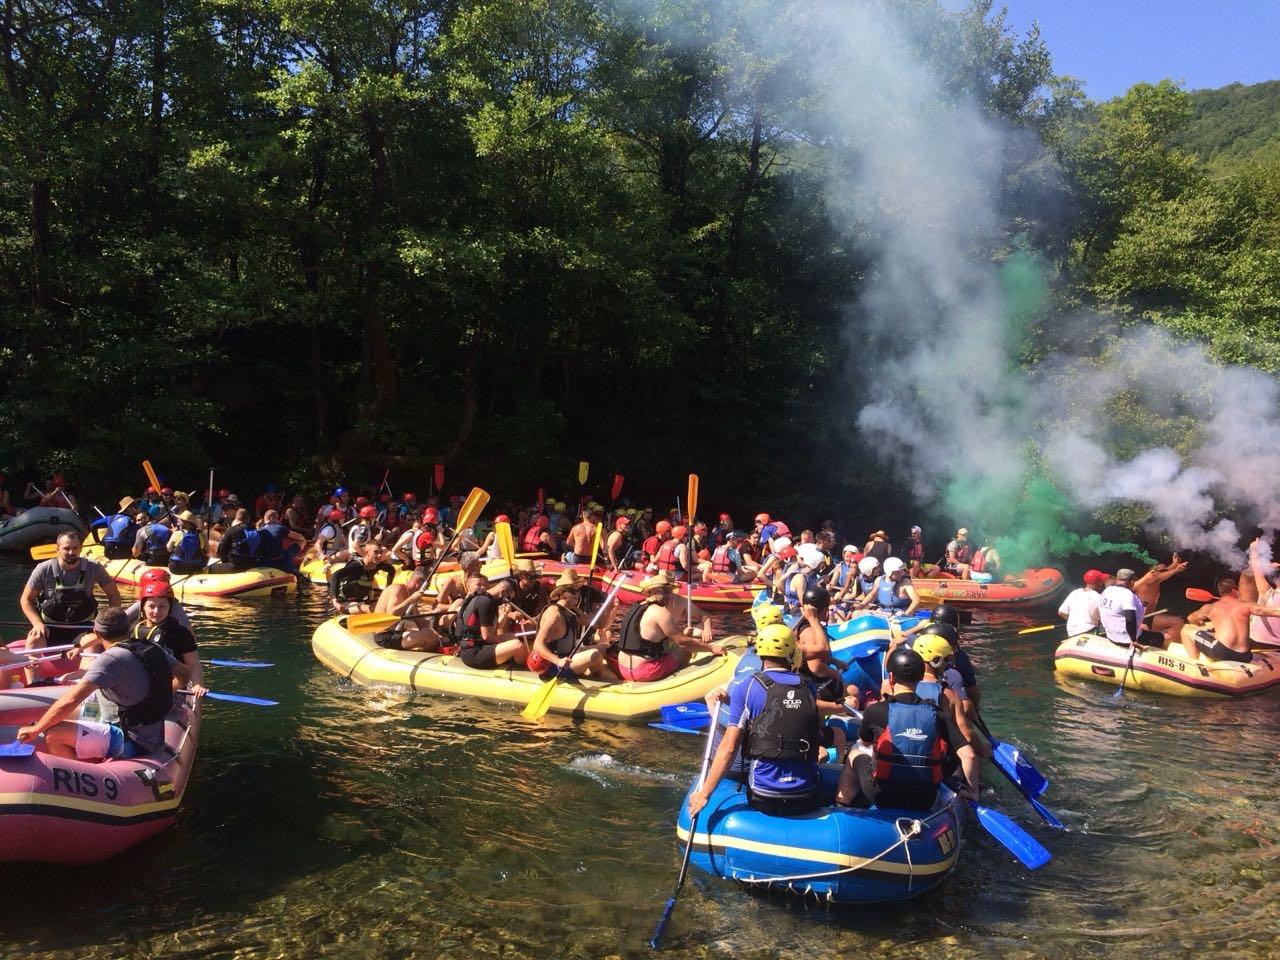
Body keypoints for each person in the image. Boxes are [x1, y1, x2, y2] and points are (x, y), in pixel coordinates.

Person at [16, 607, 189, 760]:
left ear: (97, 634)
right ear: (128, 629)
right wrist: (162, 694)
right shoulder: (148, 648)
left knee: (53, 733)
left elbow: (70, 700)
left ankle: (75, 778)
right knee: (58, 717)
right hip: (148, 731)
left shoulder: (110, 659)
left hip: (131, 740)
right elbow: (184, 673)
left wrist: (37, 729)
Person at [689, 623, 823, 818]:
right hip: (806, 796)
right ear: (793, 654)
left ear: (760, 653)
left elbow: (729, 747)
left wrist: (704, 794)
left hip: (763, 797)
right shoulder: (808, 687)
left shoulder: (747, 686)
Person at [836, 647, 979, 809]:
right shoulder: (938, 714)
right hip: (926, 798)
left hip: (883, 795)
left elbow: (865, 743)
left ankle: (843, 806)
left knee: (855, 752)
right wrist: (973, 791)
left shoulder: (875, 711)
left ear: (891, 678)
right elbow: (969, 756)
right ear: (920, 678)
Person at [20, 532, 121, 665]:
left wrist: (104, 623)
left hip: (82, 627)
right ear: (57, 549)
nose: (71, 552)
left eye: (75, 548)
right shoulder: (44, 569)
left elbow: (114, 596)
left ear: (80, 548)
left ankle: (84, 679)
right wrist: (37, 623)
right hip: (50, 626)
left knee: (91, 641)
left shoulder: (94, 567)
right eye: (66, 548)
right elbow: (26, 600)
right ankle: (34, 682)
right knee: (33, 640)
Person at [612, 573, 723, 682]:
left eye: (669, 591)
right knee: (686, 649)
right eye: (663, 591)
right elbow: (683, 643)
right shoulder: (661, 612)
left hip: (622, 668)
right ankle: (683, 675)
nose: (668, 595)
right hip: (643, 672)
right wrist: (711, 648)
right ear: (652, 591)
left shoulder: (637, 606)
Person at [526, 571, 619, 682]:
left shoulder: (573, 611)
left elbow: (599, 624)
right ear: (562, 593)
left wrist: (608, 608)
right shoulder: (554, 613)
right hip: (554, 665)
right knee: (596, 655)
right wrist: (557, 661)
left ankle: (598, 671)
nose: (577, 594)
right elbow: (537, 645)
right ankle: (597, 679)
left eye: (578, 590)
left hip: (569, 654)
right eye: (573, 591)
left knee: (605, 648)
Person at [452, 564, 530, 670]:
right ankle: (529, 670)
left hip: (470, 648)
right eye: (478, 584)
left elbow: (492, 629)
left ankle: (511, 661)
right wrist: (502, 643)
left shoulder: (470, 601)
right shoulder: (484, 601)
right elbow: (487, 636)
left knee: (511, 637)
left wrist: (503, 615)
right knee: (517, 646)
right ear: (468, 586)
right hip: (474, 654)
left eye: (485, 584)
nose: (482, 587)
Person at [1185, 578, 1280, 663]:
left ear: (1221, 593)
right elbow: (1274, 611)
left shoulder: (1210, 608)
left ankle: (1195, 664)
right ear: (1234, 590)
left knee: (1186, 631)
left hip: (1223, 653)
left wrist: (1200, 623)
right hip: (1245, 656)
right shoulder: (1247, 605)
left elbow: (1190, 618)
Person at [371, 564, 443, 652]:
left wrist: (437, 629)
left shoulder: (410, 595)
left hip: (397, 633)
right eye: (427, 586)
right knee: (429, 635)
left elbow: (419, 621)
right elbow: (391, 614)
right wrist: (411, 600)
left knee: (431, 634)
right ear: (417, 582)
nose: (426, 590)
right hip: (384, 636)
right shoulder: (398, 589)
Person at [1098, 568, 1167, 650]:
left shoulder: (1107, 590)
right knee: (1167, 637)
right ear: (1132, 582)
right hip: (1126, 639)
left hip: (1111, 635)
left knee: (1144, 626)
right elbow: (1130, 620)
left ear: (1117, 579)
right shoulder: (1128, 595)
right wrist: (1133, 640)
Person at [1133, 554, 1189, 648]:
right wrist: (1176, 569)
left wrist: (1175, 563)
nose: (1164, 570)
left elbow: (1165, 571)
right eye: (1160, 569)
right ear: (1153, 571)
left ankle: (1166, 644)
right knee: (1177, 622)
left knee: (1178, 621)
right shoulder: (1149, 578)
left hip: (1148, 617)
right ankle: (1165, 647)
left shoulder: (1156, 579)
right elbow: (1162, 574)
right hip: (1141, 618)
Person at [328, 544, 397, 614]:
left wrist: (386, 591)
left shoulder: (378, 565)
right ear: (366, 553)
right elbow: (335, 576)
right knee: (369, 608)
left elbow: (392, 570)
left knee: (388, 605)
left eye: (380, 552)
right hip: (345, 603)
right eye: (376, 552)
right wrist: (335, 601)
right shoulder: (356, 566)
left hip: (361, 601)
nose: (379, 555)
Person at [124, 568, 192, 629]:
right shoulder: (141, 603)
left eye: (162, 606)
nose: (156, 611)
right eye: (151, 606)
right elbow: (121, 620)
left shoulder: (175, 606)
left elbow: (189, 631)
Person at [1058, 569, 1107, 636]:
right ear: (1097, 583)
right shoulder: (1098, 597)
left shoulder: (1075, 593)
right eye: (1101, 581)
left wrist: (1076, 622)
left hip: (1072, 632)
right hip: (1089, 631)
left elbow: (1061, 612)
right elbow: (1105, 617)